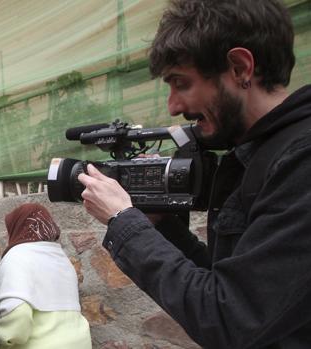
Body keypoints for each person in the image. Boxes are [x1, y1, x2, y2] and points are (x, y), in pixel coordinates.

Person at [77, 0, 311, 348]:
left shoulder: (300, 160)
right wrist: (160, 226)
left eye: (181, 83)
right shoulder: (258, 153)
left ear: (239, 67)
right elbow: (226, 284)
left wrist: (122, 220)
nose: (173, 106)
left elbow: (230, 318)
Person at [0, 203, 91, 349]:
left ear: (18, 227)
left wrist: (1, 341)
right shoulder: (61, 257)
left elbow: (16, 315)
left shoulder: (17, 257)